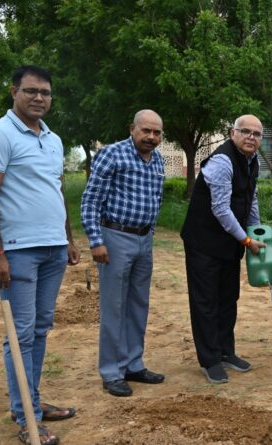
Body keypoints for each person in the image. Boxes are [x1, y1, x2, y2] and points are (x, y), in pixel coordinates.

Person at [0, 65, 80, 445]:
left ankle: (32, 403)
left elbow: (55, 190)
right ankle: (26, 418)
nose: (39, 98)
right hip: (17, 252)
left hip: (52, 249)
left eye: (46, 93)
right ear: (13, 91)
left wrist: (67, 238)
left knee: (39, 329)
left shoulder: (53, 139)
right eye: (31, 91)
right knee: (20, 335)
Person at [80, 110, 166, 397]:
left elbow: (156, 199)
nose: (151, 137)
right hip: (115, 238)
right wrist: (96, 240)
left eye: (156, 133)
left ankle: (133, 364)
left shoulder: (158, 161)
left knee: (138, 304)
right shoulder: (112, 155)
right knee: (114, 307)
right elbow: (91, 199)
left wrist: (150, 234)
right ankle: (111, 371)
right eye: (146, 131)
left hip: (144, 240)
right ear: (133, 128)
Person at [180, 115, 266, 384]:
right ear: (233, 133)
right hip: (204, 242)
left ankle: (226, 352)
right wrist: (246, 241)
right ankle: (210, 360)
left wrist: (256, 232)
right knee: (206, 301)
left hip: (230, 243)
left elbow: (250, 202)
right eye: (245, 132)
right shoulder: (222, 161)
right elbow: (220, 209)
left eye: (257, 134)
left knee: (228, 298)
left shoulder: (252, 162)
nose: (251, 137)